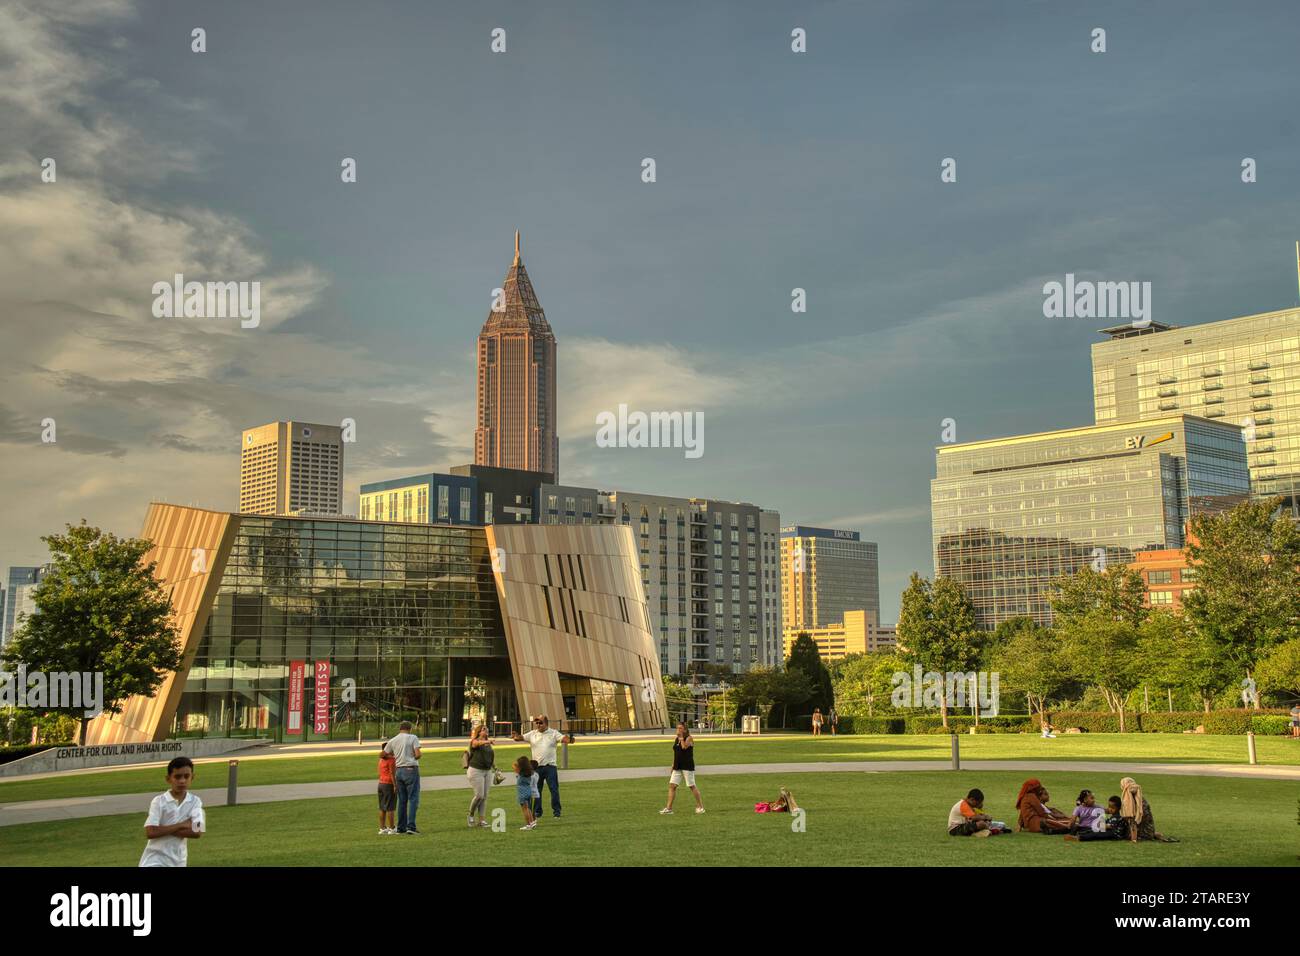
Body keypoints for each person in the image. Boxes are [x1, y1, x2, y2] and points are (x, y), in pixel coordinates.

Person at [140, 757, 204, 867]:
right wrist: (183, 825)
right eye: (177, 777)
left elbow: (197, 832)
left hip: (179, 861)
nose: (182, 781)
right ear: (168, 779)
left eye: (186, 776)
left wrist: (163, 828)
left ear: (192, 777)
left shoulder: (195, 802)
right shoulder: (159, 801)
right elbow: (151, 832)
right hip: (155, 860)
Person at [511, 715, 572, 820]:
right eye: (537, 723)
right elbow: (520, 738)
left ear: (546, 723)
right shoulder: (533, 734)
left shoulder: (553, 733)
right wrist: (516, 736)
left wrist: (568, 739)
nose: (538, 725)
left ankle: (556, 812)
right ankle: (537, 812)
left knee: (554, 789)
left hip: (550, 766)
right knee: (536, 790)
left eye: (540, 723)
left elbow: (563, 738)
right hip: (536, 767)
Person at [385, 720, 423, 835]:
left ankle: (401, 827)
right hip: (410, 769)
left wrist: (395, 756)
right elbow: (418, 754)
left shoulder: (393, 740)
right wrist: (412, 758)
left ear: (400, 729)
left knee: (402, 800)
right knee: (413, 799)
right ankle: (411, 826)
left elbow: (383, 754)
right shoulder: (413, 738)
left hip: (399, 770)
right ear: (409, 729)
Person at [660, 721, 705, 814]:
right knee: (672, 785)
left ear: (685, 729)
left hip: (687, 766)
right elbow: (676, 752)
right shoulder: (677, 739)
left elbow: (684, 747)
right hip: (678, 765)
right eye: (677, 728)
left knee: (691, 786)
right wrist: (673, 765)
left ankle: (700, 807)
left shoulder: (689, 738)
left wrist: (681, 738)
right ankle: (669, 808)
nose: (678, 730)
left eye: (680, 728)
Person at [1120, 776, 1176, 842]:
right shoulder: (1141, 799)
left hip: (1140, 835)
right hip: (1149, 832)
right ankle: (1154, 834)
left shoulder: (1129, 801)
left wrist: (1133, 839)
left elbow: (1132, 822)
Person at [466, 722, 495, 829]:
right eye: (483, 729)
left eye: (486, 729)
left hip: (487, 771)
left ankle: (482, 820)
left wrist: (495, 768)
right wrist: (488, 741)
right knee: (479, 795)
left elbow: (490, 757)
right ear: (478, 732)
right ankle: (470, 815)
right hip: (475, 771)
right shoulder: (475, 741)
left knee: (484, 797)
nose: (485, 730)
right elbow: (475, 744)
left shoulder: (487, 744)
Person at [514, 755, 539, 830]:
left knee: (524, 809)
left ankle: (528, 824)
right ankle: (532, 822)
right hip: (528, 791)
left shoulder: (521, 773)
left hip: (522, 792)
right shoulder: (530, 772)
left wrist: (517, 765)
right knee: (528, 808)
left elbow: (514, 766)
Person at [377, 744, 397, 835]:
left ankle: (382, 828)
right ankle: (392, 828)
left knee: (382, 807)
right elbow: (392, 773)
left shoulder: (381, 760)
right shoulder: (391, 760)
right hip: (388, 784)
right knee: (390, 807)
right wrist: (395, 785)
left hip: (381, 783)